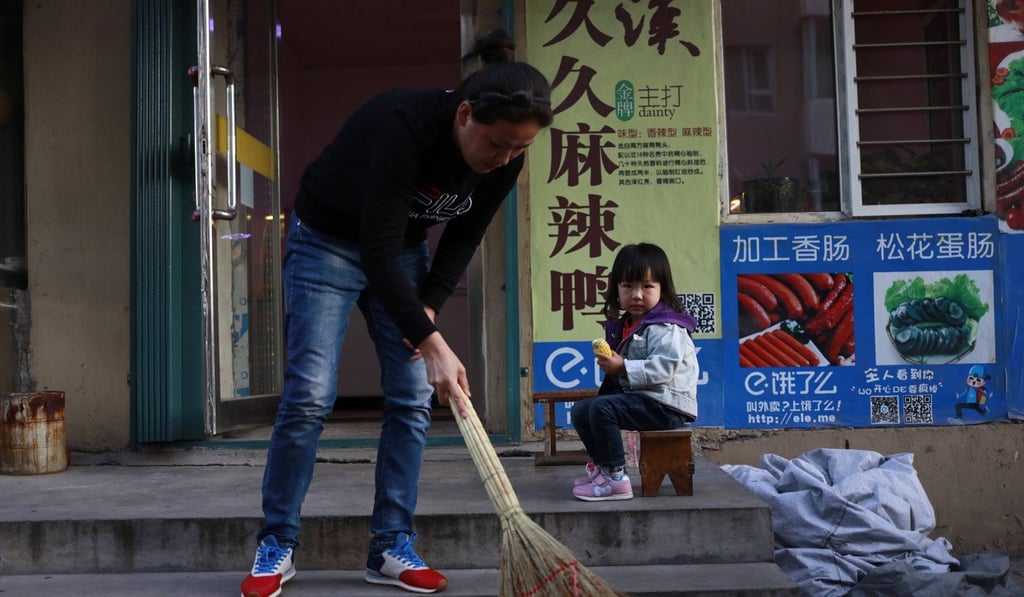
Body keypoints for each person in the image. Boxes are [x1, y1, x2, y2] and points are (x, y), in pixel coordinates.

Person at [241, 29, 552, 597]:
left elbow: (464, 236)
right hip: (326, 244)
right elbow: (375, 250)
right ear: (465, 114)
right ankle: (277, 542)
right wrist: (431, 340)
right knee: (310, 394)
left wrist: (427, 305)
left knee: (410, 396)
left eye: (518, 149)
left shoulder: (505, 159)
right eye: (498, 143)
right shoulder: (402, 125)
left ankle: (390, 545)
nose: (504, 157)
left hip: (402, 251)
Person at [570, 243, 699, 502]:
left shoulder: (666, 326)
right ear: (617, 289)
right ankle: (603, 467)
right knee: (582, 410)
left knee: (602, 409)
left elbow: (663, 368)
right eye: (628, 286)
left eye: (647, 286)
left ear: (662, 289)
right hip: (645, 401)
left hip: (666, 406)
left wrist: (623, 367)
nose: (637, 295)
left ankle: (616, 478)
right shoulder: (629, 324)